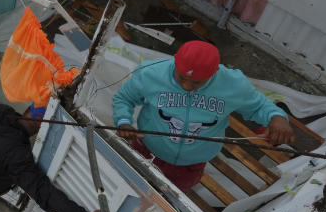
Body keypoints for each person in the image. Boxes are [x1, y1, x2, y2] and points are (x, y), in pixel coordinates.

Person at [112, 40, 294, 192]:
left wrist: (277, 117)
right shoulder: (150, 73)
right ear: (175, 62)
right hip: (146, 150)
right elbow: (124, 98)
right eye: (181, 77)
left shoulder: (233, 84)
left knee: (167, 199)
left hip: (191, 164)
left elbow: (259, 106)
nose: (186, 86)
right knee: (127, 187)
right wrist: (123, 121)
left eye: (196, 82)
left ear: (214, 72)